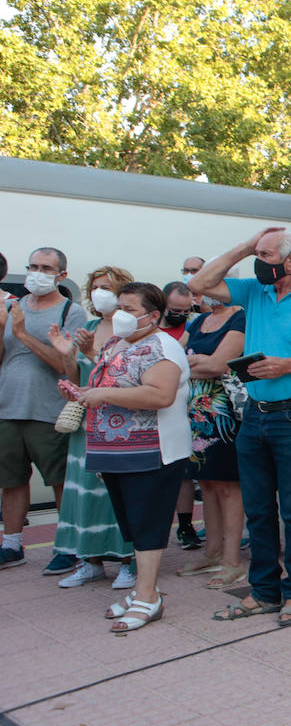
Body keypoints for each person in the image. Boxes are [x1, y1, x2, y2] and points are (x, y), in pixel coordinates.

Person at [190, 227, 291, 628]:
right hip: (255, 414)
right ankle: (263, 591)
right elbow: (199, 283)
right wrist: (246, 246)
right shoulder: (255, 292)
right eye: (257, 255)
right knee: (259, 509)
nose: (259, 263)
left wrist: (289, 365)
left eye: (266, 256)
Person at [63, 281, 191, 632]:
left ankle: (148, 597)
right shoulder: (117, 344)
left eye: (129, 309)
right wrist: (85, 391)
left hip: (153, 452)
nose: (120, 314)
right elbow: (113, 381)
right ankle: (143, 591)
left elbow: (160, 395)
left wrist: (102, 393)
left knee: (148, 526)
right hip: (115, 452)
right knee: (133, 526)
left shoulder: (162, 347)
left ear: (153, 315)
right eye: (119, 306)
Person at [50, 267, 137, 589]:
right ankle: (91, 561)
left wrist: (88, 352)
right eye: (96, 287)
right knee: (85, 492)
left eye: (108, 288)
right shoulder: (87, 326)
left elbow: (123, 373)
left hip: (118, 424)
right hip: (86, 425)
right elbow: (78, 377)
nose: (100, 292)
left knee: (116, 493)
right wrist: (67, 358)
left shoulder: (130, 331)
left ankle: (128, 563)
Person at [0, 247, 86, 571]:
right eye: (33, 266)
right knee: (11, 480)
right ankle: (11, 544)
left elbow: (66, 366)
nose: (38, 272)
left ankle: (67, 545)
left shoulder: (70, 312)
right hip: (8, 407)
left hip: (49, 409)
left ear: (62, 275)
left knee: (59, 480)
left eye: (46, 268)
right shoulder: (13, 306)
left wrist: (22, 333)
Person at [177, 276, 247, 589]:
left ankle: (232, 560)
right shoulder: (200, 320)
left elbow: (220, 365)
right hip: (195, 412)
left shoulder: (241, 317)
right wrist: (197, 361)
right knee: (206, 483)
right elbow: (175, 360)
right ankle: (213, 552)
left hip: (223, 413)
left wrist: (196, 361)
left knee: (229, 485)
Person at [162, 280, 202, 548]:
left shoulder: (192, 327)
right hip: (159, 409)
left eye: (186, 310)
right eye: (175, 309)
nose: (181, 315)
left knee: (187, 472)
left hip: (189, 407)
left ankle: (186, 526)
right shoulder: (148, 330)